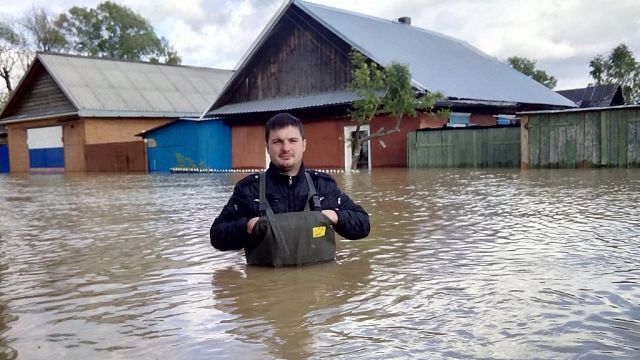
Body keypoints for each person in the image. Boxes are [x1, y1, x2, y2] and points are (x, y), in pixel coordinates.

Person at [210, 112, 370, 264]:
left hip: (318, 289)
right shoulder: (248, 190)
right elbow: (216, 235)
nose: (286, 148)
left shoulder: (323, 186)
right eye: (277, 141)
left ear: (304, 145)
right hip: (269, 288)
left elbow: (363, 224)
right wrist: (246, 226)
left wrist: (336, 216)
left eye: (292, 140)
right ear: (267, 147)